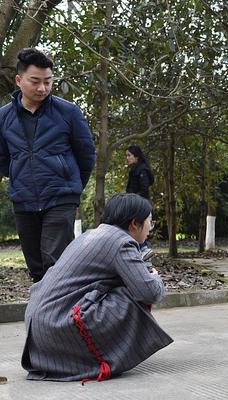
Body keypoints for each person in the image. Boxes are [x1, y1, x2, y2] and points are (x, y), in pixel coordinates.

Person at [21, 193, 173, 383]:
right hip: (57, 327)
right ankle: (106, 358)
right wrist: (154, 276)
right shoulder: (121, 242)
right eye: (150, 221)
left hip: (39, 332)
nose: (151, 227)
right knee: (132, 293)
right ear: (135, 223)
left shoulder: (90, 235)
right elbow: (150, 293)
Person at [0, 48, 96, 283]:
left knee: (55, 262)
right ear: (19, 80)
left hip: (60, 198)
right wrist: (17, 174)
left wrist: (71, 189)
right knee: (36, 267)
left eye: (48, 81)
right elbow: (2, 158)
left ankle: (62, 317)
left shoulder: (69, 112)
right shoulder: (3, 117)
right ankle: (42, 317)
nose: (42, 88)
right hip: (24, 200)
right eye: (35, 81)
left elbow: (86, 155)